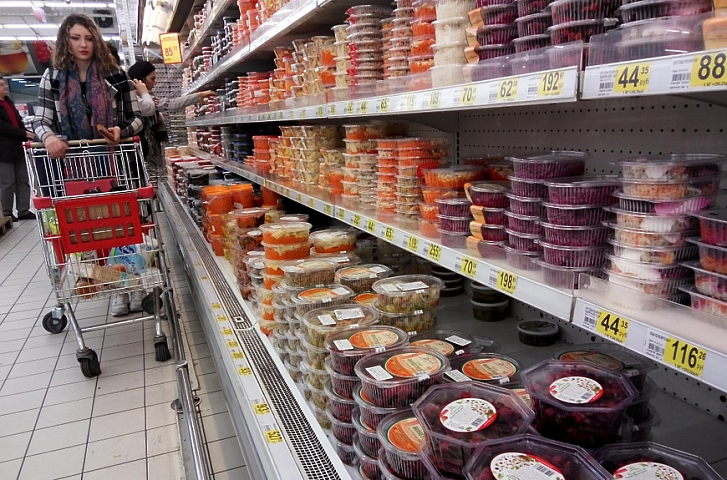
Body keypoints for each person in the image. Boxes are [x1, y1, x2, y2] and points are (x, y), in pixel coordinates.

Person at [33, 13, 145, 316]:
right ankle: (114, 286)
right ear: (65, 42)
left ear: (97, 40)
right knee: (89, 233)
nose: (83, 44)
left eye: (89, 38)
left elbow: (137, 118)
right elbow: (40, 121)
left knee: (122, 229)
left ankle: (134, 284)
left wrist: (121, 130)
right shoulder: (52, 78)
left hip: (114, 167)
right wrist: (49, 138)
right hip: (72, 173)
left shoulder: (116, 75)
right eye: (76, 38)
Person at [128, 60, 215, 171]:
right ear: (140, 80)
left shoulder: (143, 97)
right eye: (152, 79)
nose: (155, 83)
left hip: (139, 150)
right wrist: (199, 95)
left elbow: (170, 104)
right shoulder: (136, 99)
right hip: (136, 150)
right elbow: (163, 106)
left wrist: (199, 95)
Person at [0, 76, 36, 224]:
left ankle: (23, 210)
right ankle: (7, 212)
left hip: (17, 147)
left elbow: (17, 122)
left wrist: (27, 133)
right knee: (7, 182)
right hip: (3, 151)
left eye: (4, 84)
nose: (5, 86)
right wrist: (24, 134)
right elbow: (3, 127)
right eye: (1, 85)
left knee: (23, 180)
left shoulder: (8, 102)